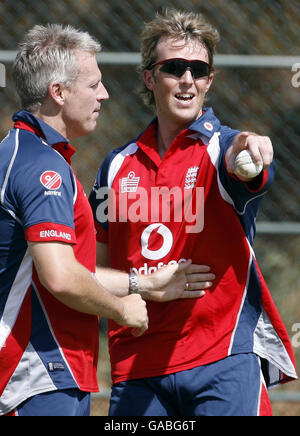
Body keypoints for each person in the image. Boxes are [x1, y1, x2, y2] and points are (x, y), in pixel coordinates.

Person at [89, 10, 297, 416]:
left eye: (198, 70)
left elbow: (243, 158)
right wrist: (140, 286)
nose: (187, 79)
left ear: (209, 81)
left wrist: (251, 145)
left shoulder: (223, 149)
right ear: (150, 78)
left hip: (221, 358)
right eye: (174, 68)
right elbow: (92, 268)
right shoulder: (115, 166)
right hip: (138, 366)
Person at [0, 24, 214, 417]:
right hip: (37, 373)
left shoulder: (21, 154)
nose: (104, 94)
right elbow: (62, 277)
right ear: (59, 93)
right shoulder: (42, 167)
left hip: (46, 372)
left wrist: (144, 283)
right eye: (94, 84)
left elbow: (69, 270)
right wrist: (122, 310)